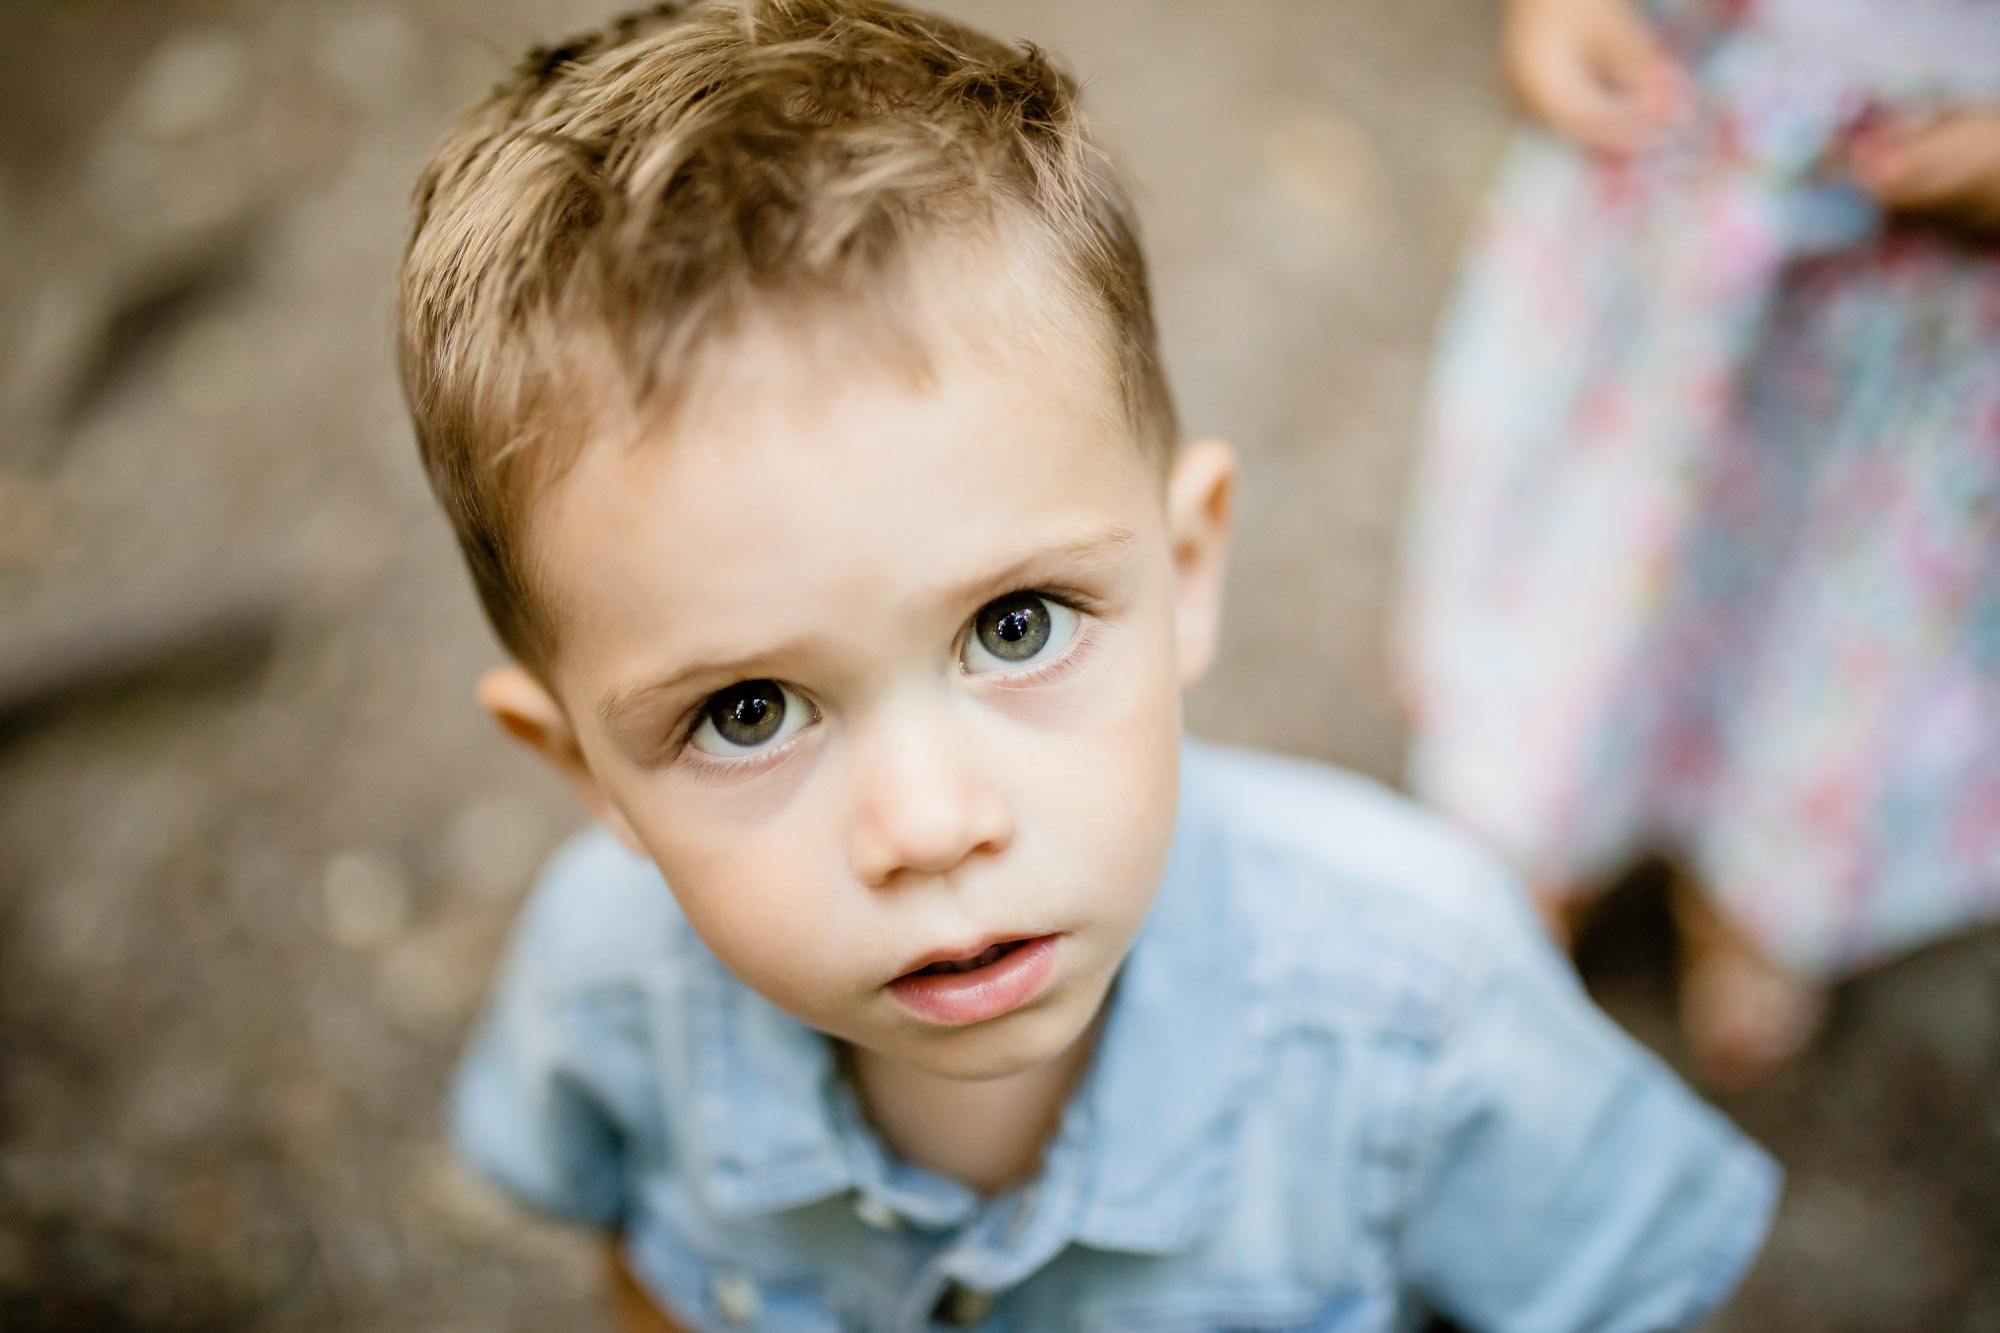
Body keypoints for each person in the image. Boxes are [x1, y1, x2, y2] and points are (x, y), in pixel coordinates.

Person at [398, 3, 1777, 1328]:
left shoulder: (1428, 1006)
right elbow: (639, 1272)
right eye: (746, 711)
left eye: (1016, 625)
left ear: (1184, 567)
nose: (933, 826)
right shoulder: (602, 985)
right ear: (584, 768)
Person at [1399, 0, 2000, 1088]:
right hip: (1687, 137)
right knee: (1612, 525)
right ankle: (1541, 818)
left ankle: (1766, 876)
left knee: (1852, 597)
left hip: (1949, 243)